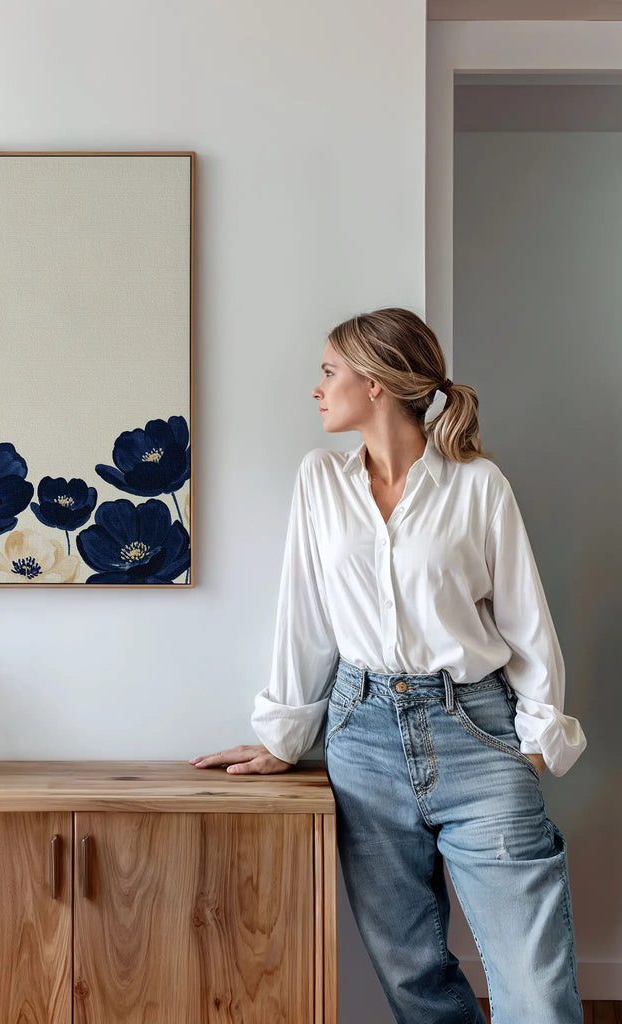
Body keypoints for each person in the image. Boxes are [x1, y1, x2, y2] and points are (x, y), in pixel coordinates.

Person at [190, 308, 586, 1024]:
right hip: (362, 736)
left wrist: (534, 741)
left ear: (375, 384)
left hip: (477, 730)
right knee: (413, 979)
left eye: (328, 371)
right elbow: (303, 614)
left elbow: (527, 621)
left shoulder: (478, 485)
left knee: (534, 985)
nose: (317, 388)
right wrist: (285, 737)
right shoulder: (320, 481)